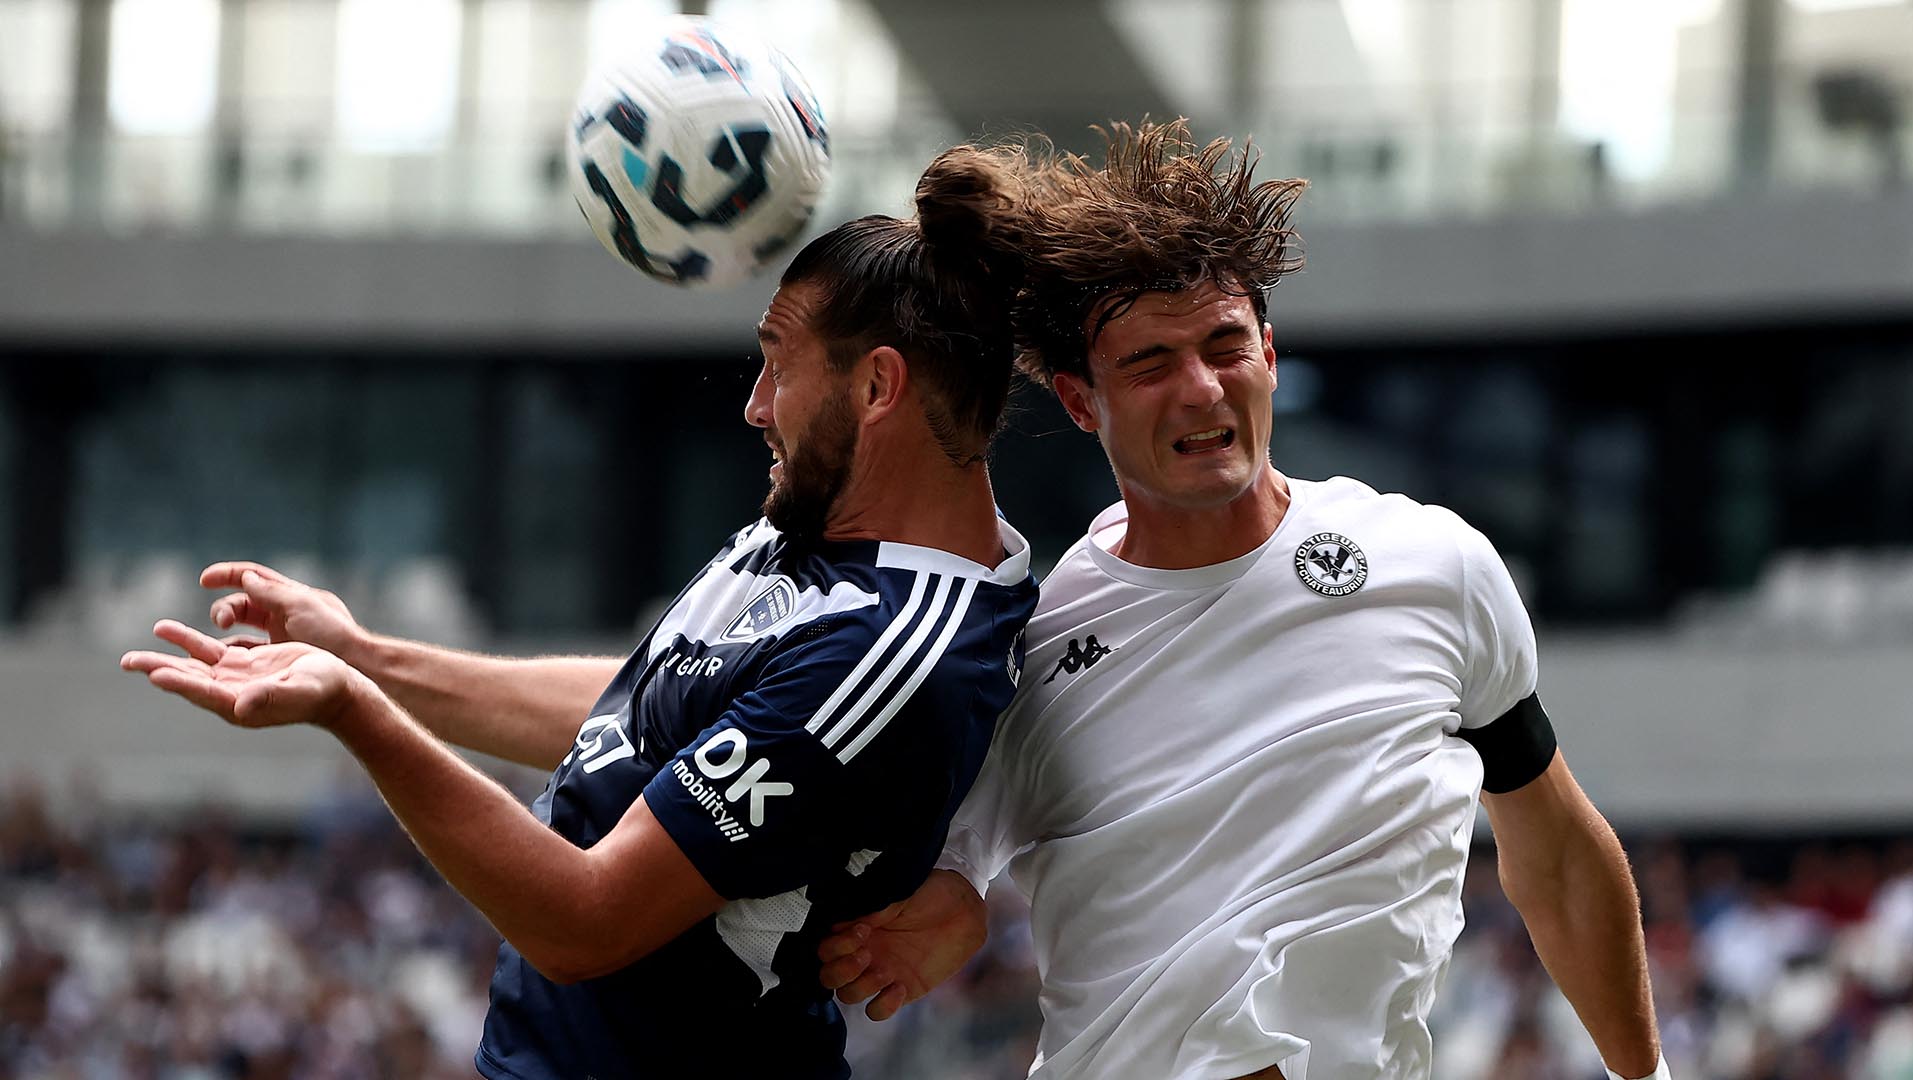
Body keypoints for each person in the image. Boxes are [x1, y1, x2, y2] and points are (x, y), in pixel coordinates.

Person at [119, 151, 1041, 1080]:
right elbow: (636, 712)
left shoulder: (891, 651)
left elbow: (584, 921)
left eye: (776, 366)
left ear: (877, 388)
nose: (756, 407)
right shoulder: (816, 528)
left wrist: (352, 710)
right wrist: (364, 656)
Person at [817, 121, 1670, 1080]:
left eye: (1225, 345)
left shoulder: (1437, 566)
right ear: (1078, 399)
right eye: (1148, 365)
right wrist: (942, 910)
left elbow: (1553, 857)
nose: (1200, 389)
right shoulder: (1028, 648)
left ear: (1268, 349)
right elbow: (940, 879)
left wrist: (1648, 1076)